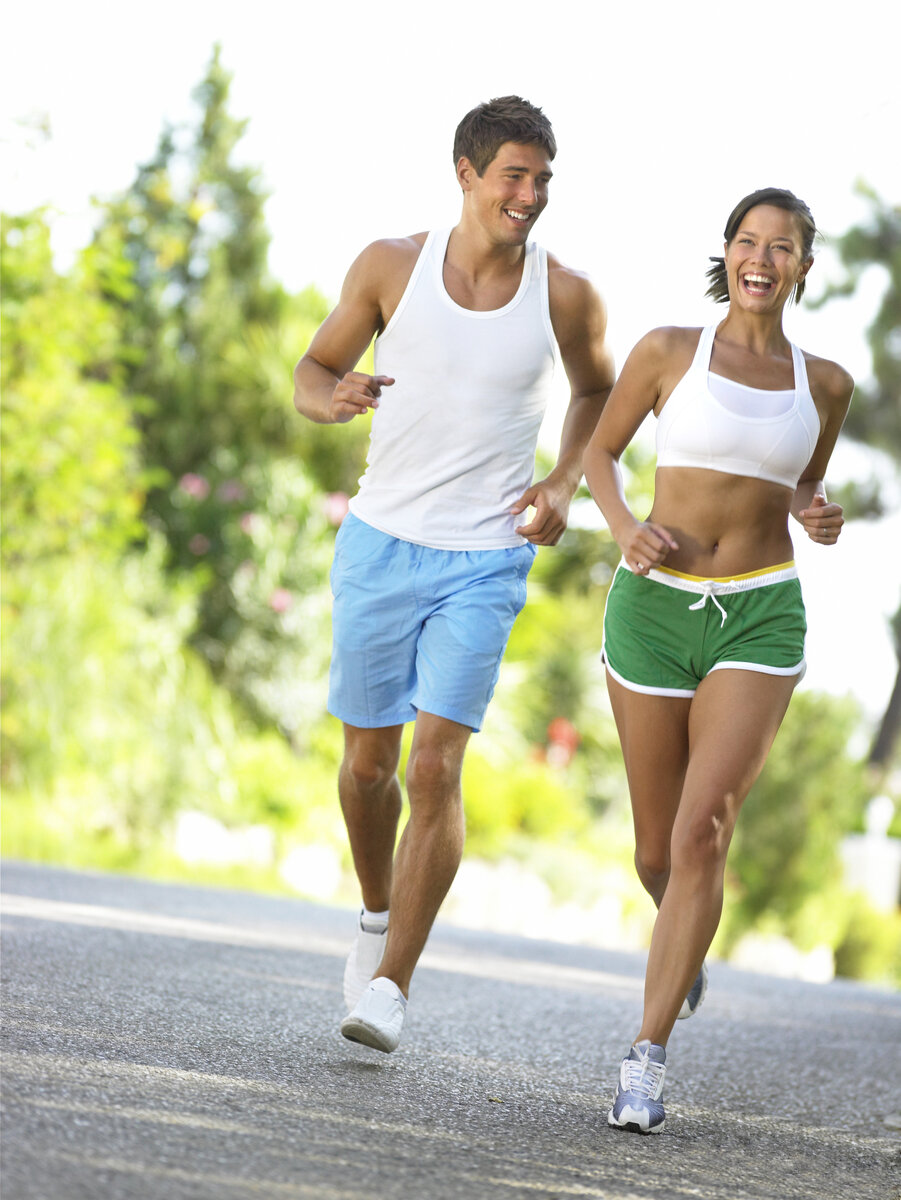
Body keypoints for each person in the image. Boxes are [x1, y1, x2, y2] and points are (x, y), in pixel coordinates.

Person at [292, 96, 614, 1053]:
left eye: (543, 179)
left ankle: (390, 986)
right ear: (466, 173)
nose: (531, 195)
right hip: (381, 540)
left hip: (485, 556)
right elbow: (311, 370)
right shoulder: (390, 265)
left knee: (434, 765)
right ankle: (375, 911)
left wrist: (563, 480)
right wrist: (332, 397)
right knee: (368, 768)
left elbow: (597, 391)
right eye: (514, 175)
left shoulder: (566, 293)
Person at [582, 187, 853, 1133]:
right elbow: (600, 455)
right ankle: (682, 942)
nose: (761, 259)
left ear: (803, 268)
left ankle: (644, 1062)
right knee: (656, 852)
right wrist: (624, 527)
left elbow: (800, 484)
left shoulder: (825, 385)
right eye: (747, 240)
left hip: (758, 617)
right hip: (652, 611)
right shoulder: (668, 351)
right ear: (726, 253)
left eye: (781, 247)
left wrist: (815, 513)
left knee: (703, 832)